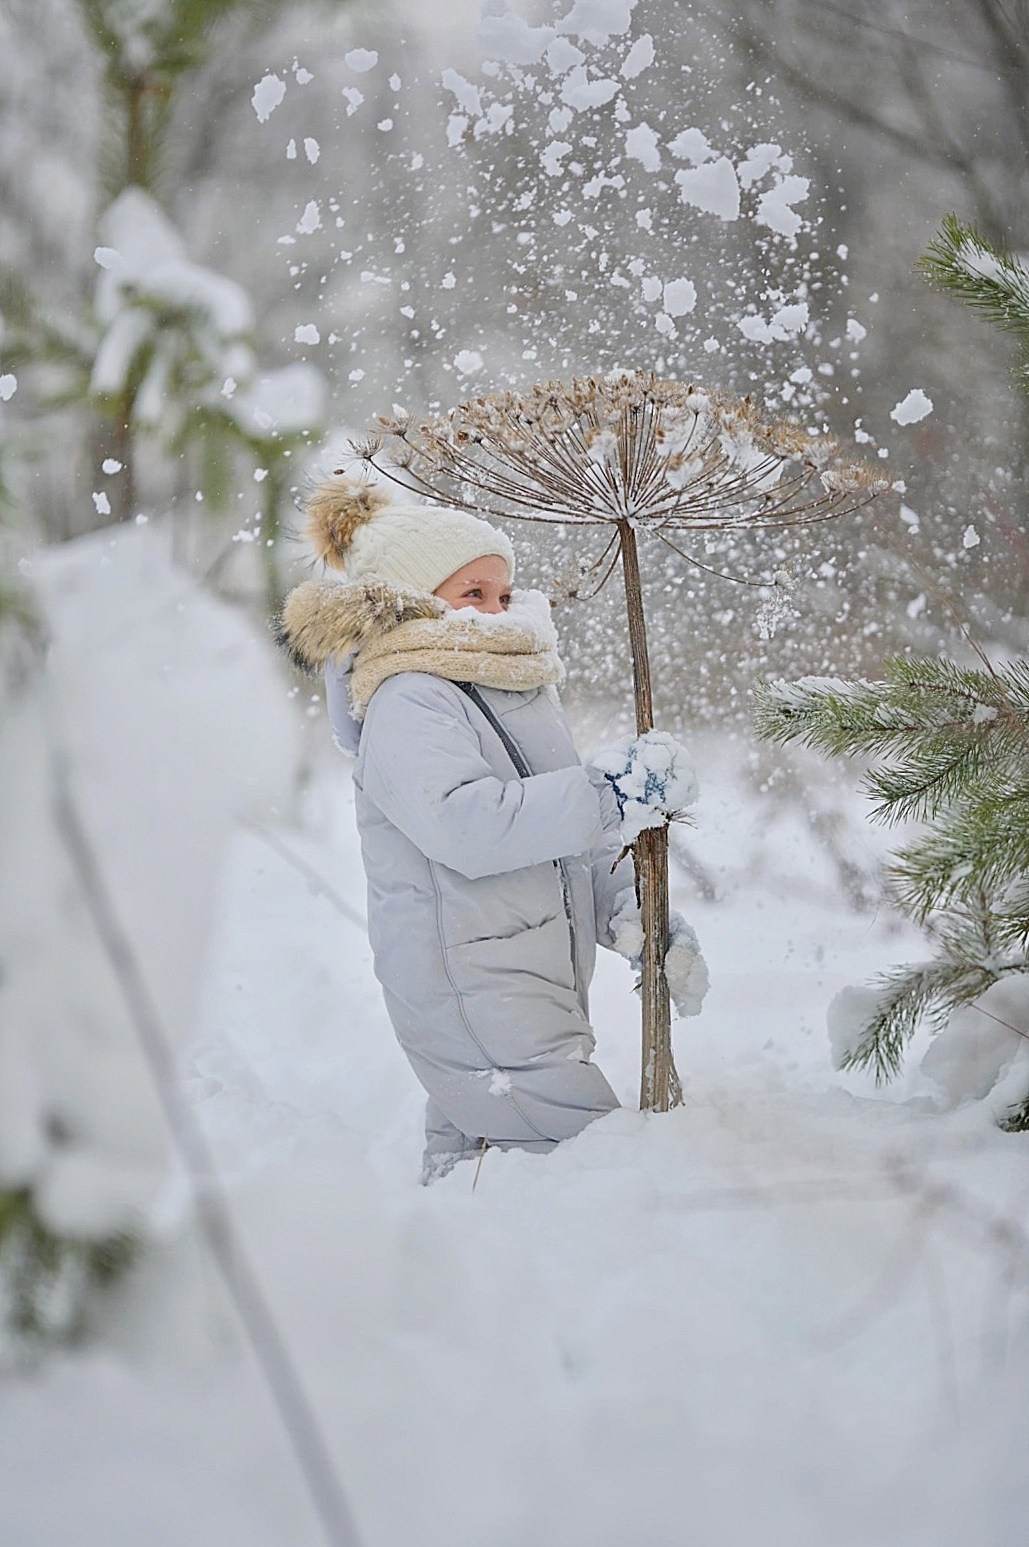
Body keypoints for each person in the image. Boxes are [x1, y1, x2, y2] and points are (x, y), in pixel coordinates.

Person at [278, 476, 705, 1180]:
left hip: (521, 981)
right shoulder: (410, 698)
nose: (493, 612)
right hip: (472, 989)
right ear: (407, 599)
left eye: (502, 595)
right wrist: (611, 792)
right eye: (469, 594)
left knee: (487, 1186)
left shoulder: (506, 690)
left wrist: (634, 914)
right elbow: (469, 826)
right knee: (593, 1177)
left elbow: (563, 839)